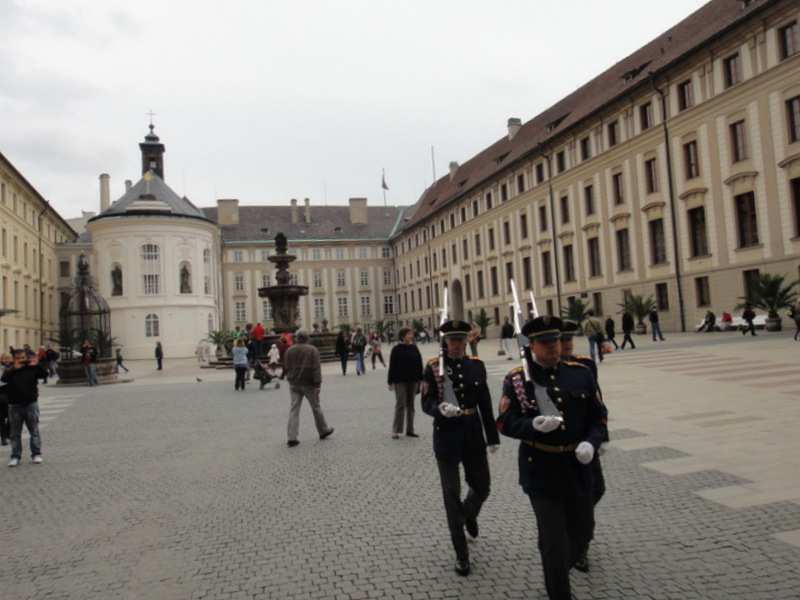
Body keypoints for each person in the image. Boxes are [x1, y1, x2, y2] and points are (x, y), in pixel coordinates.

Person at [496, 316, 608, 600]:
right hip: (542, 470)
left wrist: (593, 443)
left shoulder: (580, 373)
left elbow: (598, 417)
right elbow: (504, 422)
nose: (553, 347)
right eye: (545, 343)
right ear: (531, 346)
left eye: (555, 341)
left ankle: (554, 563)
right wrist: (531, 426)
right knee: (555, 544)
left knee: (583, 532)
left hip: (577, 465)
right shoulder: (518, 380)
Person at [421, 319, 500, 577]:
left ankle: (470, 514)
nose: (456, 345)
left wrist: (493, 436)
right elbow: (426, 401)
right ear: (445, 341)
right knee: (451, 496)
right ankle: (462, 555)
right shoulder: (434, 368)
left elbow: (485, 402)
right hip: (447, 436)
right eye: (452, 340)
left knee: (483, 487)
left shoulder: (476, 366)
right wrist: (439, 409)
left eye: (460, 340)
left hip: (473, 433)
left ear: (467, 340)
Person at [559, 320, 608, 573]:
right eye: (561, 340)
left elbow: (596, 401)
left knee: (597, 489)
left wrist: (602, 438)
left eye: (569, 339)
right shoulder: (542, 370)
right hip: (562, 446)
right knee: (578, 494)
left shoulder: (586, 365)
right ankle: (580, 547)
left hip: (586, 442)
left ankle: (577, 529)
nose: (566, 344)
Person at [283, 329, 333, 447]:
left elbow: (286, 366)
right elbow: (316, 368)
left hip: (294, 383)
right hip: (308, 383)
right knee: (316, 407)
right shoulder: (312, 350)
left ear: (297, 338)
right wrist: (318, 384)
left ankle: (292, 437)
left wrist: (289, 377)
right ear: (307, 339)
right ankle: (323, 430)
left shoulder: (289, 350)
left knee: (294, 409)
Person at [3, 347, 49, 467]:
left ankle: (36, 454)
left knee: (34, 431)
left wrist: (37, 365)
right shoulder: (10, 369)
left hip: (30, 403)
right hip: (14, 405)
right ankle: (15, 456)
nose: (21, 360)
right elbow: (3, 379)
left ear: (26, 357)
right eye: (18, 358)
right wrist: (14, 369)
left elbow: (45, 374)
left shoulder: (32, 368)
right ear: (14, 359)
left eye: (23, 358)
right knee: (14, 434)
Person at [387, 326, 424, 440]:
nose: (411, 336)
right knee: (400, 404)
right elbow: (392, 366)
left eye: (411, 334)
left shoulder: (414, 348)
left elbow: (419, 363)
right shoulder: (396, 349)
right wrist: (390, 381)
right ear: (403, 337)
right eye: (409, 334)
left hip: (413, 380)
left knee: (411, 405)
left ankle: (410, 429)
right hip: (400, 381)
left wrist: (420, 379)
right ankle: (396, 430)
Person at [0, 352, 11, 446]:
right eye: (4, 359)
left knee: (11, 417)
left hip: (11, 395)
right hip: (1, 394)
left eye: (8, 359)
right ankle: (3, 437)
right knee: (1, 418)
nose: (6, 361)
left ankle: (8, 432)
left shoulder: (13, 368)